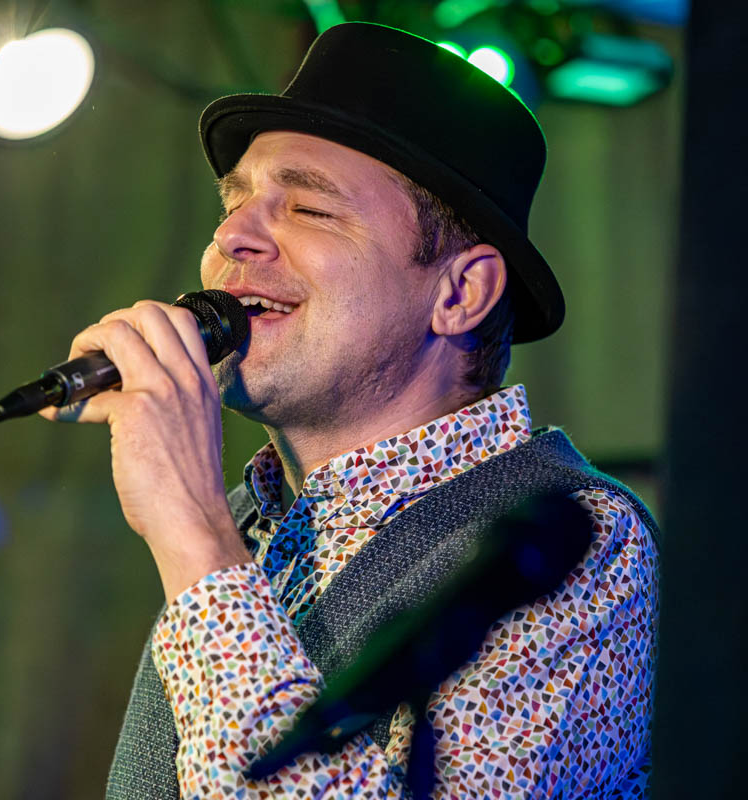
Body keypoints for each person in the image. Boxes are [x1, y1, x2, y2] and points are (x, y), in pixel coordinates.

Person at [41, 22, 659, 799]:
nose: (232, 235)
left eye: (309, 208)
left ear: (460, 292)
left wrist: (192, 533)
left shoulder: (584, 544)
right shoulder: (253, 526)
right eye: (235, 201)